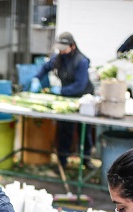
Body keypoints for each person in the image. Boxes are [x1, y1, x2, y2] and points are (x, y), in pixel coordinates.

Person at [29, 32, 95, 169]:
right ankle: (62, 162)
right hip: (67, 99)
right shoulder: (58, 58)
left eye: (64, 48)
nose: (61, 51)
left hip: (83, 97)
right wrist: (36, 78)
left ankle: (86, 159)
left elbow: (80, 85)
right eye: (60, 48)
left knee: (85, 130)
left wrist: (60, 91)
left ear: (73, 46)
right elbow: (45, 67)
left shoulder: (82, 61)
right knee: (65, 130)